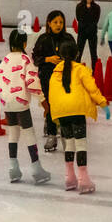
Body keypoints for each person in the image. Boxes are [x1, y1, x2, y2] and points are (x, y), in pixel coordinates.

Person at [45, 39, 109, 194]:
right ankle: (83, 178)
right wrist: (103, 103)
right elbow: (92, 88)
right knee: (81, 145)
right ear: (77, 53)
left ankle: (69, 177)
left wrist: (55, 113)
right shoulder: (81, 69)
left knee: (69, 144)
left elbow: (50, 94)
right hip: (77, 111)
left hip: (62, 113)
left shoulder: (55, 72)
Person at [0, 29, 50, 185]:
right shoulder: (26, 60)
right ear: (24, 43)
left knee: (13, 133)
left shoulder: (5, 60)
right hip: (21, 104)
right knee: (29, 134)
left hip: (7, 104)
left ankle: (13, 167)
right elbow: (32, 83)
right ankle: (36, 168)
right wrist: (44, 101)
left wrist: (5, 96)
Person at [31, 10, 76, 153]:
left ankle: (65, 134)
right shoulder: (43, 39)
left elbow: (75, 55)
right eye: (55, 22)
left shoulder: (68, 38)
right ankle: (52, 134)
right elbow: (36, 57)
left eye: (61, 22)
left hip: (64, 77)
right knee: (52, 104)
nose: (58, 25)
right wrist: (48, 59)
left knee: (63, 105)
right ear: (49, 23)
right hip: (47, 77)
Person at [75, 0, 101, 67]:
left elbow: (96, 20)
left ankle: (95, 71)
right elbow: (78, 18)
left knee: (93, 54)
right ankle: (76, 69)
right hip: (82, 32)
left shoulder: (97, 7)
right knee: (78, 53)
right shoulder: (79, 6)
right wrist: (85, 26)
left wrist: (89, 27)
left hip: (92, 33)